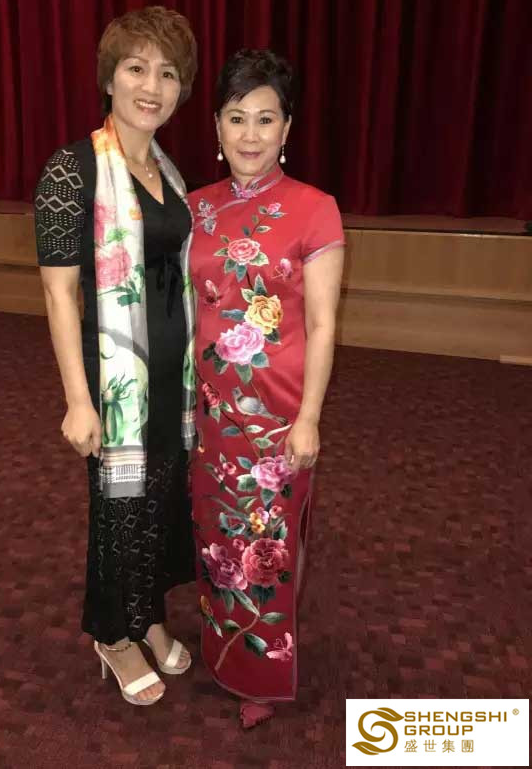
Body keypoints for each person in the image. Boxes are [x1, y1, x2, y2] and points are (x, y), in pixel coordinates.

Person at [34, 6, 198, 707]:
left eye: (168, 73)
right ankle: (113, 633)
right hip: (115, 380)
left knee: (160, 500)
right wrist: (78, 399)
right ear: (110, 77)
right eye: (136, 68)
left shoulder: (169, 171)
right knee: (117, 511)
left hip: (172, 374)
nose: (151, 86)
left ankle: (148, 613)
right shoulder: (71, 170)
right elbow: (58, 291)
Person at [188, 49, 345, 727]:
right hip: (210, 412)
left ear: (287, 128)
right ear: (216, 127)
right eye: (236, 117)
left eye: (265, 118)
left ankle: (264, 671)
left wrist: (310, 416)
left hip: (277, 415)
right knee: (217, 536)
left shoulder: (315, 209)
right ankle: (221, 648)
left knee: (267, 545)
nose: (249, 134)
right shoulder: (194, 208)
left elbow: (324, 322)